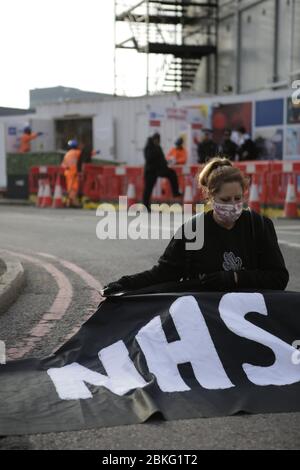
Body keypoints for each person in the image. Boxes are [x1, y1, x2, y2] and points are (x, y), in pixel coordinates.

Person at [102, 157, 289, 296]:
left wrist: (235, 278)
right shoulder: (193, 230)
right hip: (206, 316)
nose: (232, 205)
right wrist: (126, 283)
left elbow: (279, 278)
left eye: (238, 198)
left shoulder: (259, 226)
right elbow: (164, 274)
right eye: (225, 199)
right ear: (210, 197)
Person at [142, 133, 182, 211]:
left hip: (159, 169)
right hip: (150, 171)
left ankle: (175, 192)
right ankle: (145, 206)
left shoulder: (158, 147)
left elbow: (162, 158)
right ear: (154, 139)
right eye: (157, 140)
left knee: (172, 173)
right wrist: (157, 154)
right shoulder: (148, 147)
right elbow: (149, 158)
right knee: (148, 189)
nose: (158, 142)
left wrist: (166, 163)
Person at [61, 139, 81, 207]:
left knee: (69, 187)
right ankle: (74, 203)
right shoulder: (77, 152)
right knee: (74, 187)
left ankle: (68, 203)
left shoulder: (67, 154)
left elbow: (63, 165)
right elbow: (86, 154)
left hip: (67, 172)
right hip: (73, 172)